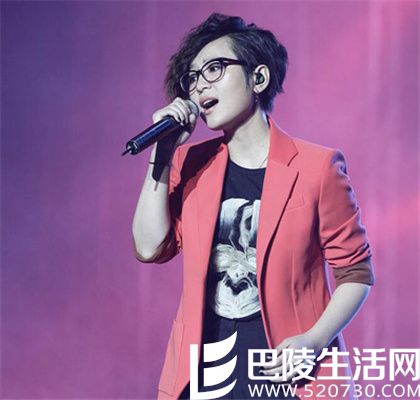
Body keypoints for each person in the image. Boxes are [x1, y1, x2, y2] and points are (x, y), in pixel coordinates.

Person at [132, 13, 375, 400]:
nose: (199, 86)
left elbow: (356, 273)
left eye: (214, 69)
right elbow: (148, 247)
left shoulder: (317, 168)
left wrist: (313, 341)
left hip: (288, 379)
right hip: (202, 378)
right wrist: (162, 156)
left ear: (258, 78)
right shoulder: (190, 164)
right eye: (192, 78)